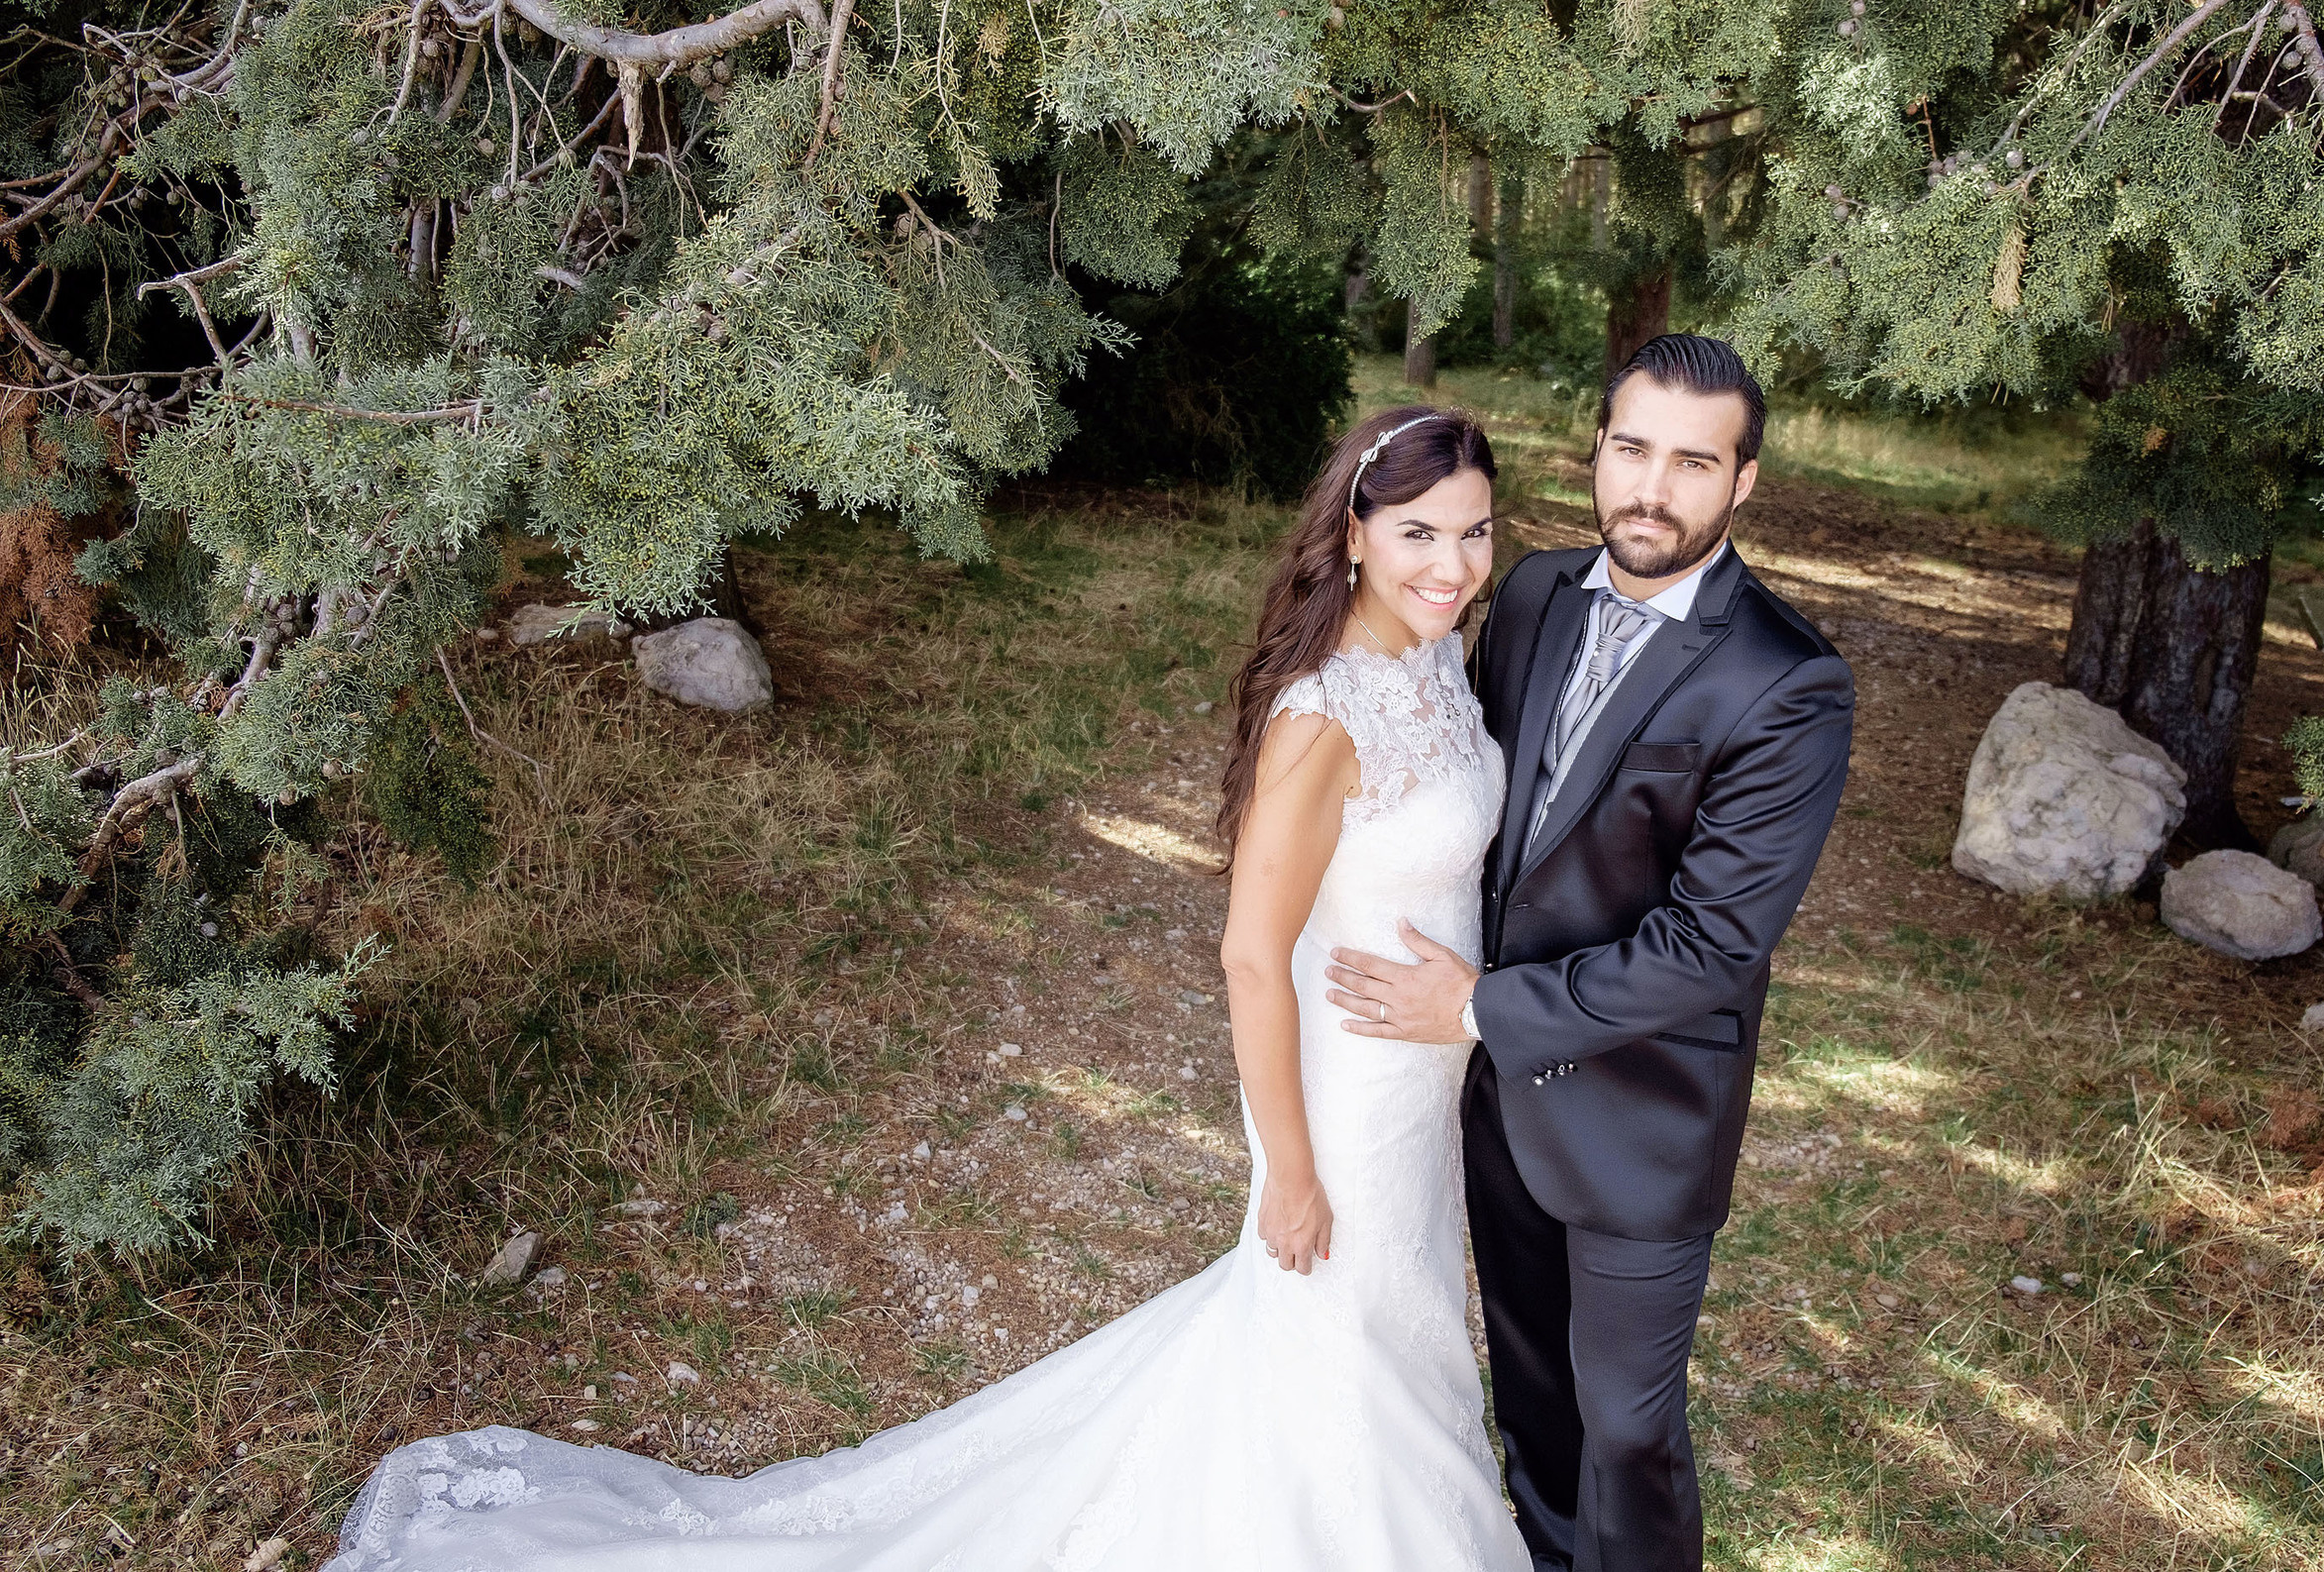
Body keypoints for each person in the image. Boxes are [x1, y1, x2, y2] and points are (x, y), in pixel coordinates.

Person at [318, 407, 1532, 1571]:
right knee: (1336, 1341)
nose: (1452, 562)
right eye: (1419, 531)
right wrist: (1294, 1172)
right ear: (1355, 533)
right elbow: (1249, 957)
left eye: (1473, 531)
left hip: (1418, 1089)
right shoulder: (1324, 719)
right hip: (1345, 1101)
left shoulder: (1435, 664)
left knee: (1397, 1326)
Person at [1328, 334, 1853, 1571]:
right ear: (1597, 450)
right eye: (1630, 449)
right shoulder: (1531, 596)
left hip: (1641, 1116)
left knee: (1625, 1429)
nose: (1650, 490)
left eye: (1691, 461)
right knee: (1535, 1402)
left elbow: (1712, 944)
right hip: (1499, 1105)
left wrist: (1476, 1010)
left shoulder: (1786, 680)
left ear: (1744, 483)